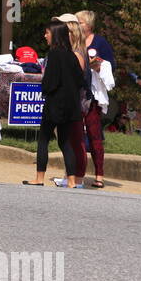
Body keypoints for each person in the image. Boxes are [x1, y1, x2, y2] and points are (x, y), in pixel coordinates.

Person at [25, 21, 83, 188]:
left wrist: (45, 89)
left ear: (55, 34)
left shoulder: (54, 54)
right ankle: (72, 181)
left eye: (47, 33)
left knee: (43, 139)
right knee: (65, 142)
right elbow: (80, 80)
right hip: (71, 105)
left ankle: (39, 178)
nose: (45, 36)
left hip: (55, 103)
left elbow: (50, 82)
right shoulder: (72, 55)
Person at [75, 11, 115, 189]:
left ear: (89, 25)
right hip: (76, 93)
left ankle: (99, 175)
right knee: (75, 135)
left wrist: (99, 66)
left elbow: (111, 65)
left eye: (79, 22)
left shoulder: (100, 42)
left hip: (93, 95)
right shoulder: (73, 41)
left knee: (94, 134)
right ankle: (77, 174)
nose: (76, 25)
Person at [53, 13, 89, 187]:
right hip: (67, 102)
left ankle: (78, 178)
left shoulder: (77, 54)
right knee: (67, 139)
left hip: (74, 104)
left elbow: (73, 82)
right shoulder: (70, 52)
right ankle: (69, 175)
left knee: (75, 139)